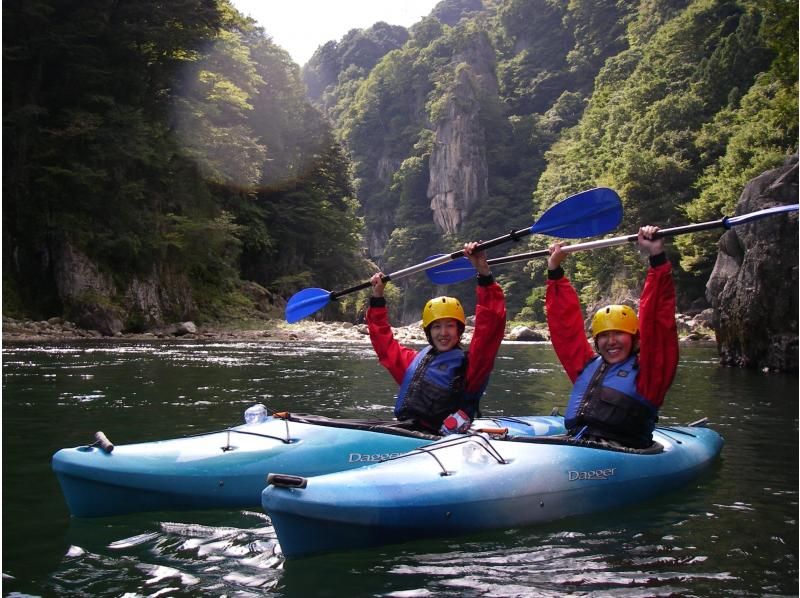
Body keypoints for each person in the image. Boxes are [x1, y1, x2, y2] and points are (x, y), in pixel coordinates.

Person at [545, 225, 679, 448]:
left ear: (635, 339)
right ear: (596, 342)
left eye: (619, 333)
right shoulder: (586, 365)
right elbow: (564, 327)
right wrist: (554, 269)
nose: (611, 341)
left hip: (624, 452)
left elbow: (658, 319)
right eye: (604, 336)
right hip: (578, 444)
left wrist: (656, 256)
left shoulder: (649, 374)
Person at [367, 242, 506, 435]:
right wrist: (377, 298)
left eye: (450, 325)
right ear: (428, 332)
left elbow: (490, 327)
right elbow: (383, 343)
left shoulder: (471, 367)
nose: (443, 333)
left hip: (442, 441)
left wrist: (483, 274)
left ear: (459, 330)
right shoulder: (413, 362)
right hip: (406, 431)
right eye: (437, 327)